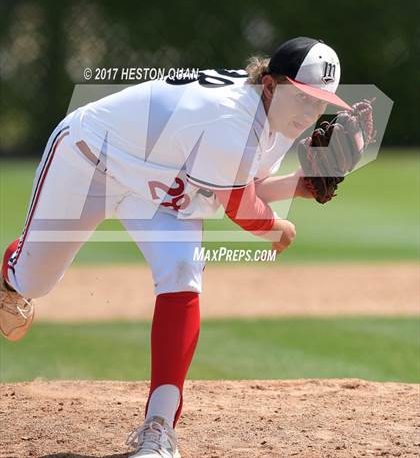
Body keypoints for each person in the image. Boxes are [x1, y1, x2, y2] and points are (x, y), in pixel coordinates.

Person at [0, 36, 350, 458]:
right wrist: (279, 228)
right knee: (31, 282)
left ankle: (157, 430)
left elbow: (238, 182)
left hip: (159, 187)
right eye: (304, 97)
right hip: (88, 157)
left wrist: (301, 186)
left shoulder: (275, 120)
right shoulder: (231, 116)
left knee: (183, 272)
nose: (311, 112)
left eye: (320, 103)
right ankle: (10, 273)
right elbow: (240, 206)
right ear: (271, 85)